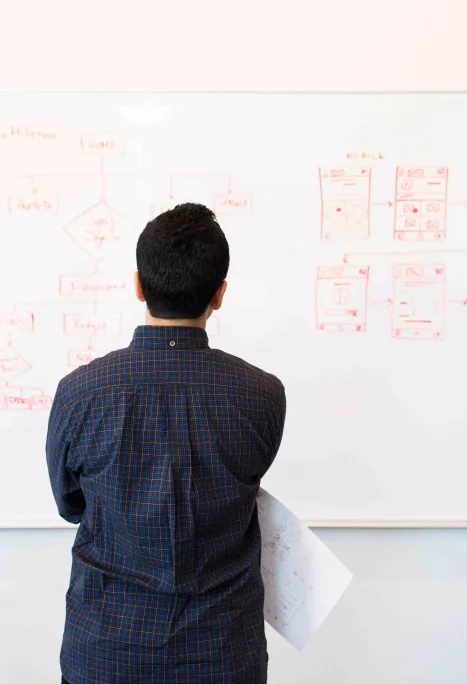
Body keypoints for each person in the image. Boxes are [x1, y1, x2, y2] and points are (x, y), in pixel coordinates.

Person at [45, 202, 287, 684]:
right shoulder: (262, 396)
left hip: (107, 652)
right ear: (219, 294)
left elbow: (71, 504)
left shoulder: (80, 393)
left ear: (138, 285)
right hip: (223, 655)